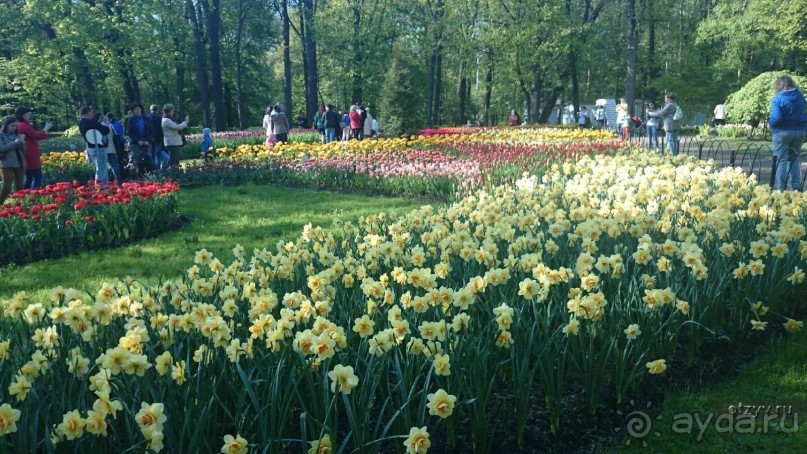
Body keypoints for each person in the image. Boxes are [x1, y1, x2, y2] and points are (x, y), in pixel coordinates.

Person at [769, 75, 807, 191]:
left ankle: (781, 189)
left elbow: (777, 118)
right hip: (800, 131)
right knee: (794, 158)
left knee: (781, 160)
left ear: (779, 85)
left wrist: (770, 123)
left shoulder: (778, 98)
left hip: (782, 132)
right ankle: (796, 187)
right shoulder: (800, 96)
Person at [15, 106, 53, 189]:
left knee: (28, 177)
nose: (30, 116)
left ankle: (24, 195)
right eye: (28, 114)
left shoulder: (19, 125)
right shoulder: (24, 125)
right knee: (37, 176)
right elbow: (37, 135)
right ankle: (33, 195)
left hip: (27, 152)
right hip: (30, 153)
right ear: (23, 115)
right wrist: (45, 129)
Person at [79, 106, 111, 185]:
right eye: (91, 112)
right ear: (88, 112)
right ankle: (102, 186)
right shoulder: (90, 122)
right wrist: (105, 123)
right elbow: (105, 130)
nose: (92, 114)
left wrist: (98, 122)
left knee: (99, 167)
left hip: (90, 147)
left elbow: (95, 128)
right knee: (102, 169)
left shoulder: (81, 123)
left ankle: (100, 185)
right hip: (98, 147)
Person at [0, 116, 27, 205]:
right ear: (6, 125)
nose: (14, 128)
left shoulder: (17, 135)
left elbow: (24, 150)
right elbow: (2, 148)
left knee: (20, 188)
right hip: (7, 164)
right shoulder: (1, 135)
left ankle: (19, 207)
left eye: (16, 126)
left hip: (20, 163)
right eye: (12, 126)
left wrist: (22, 142)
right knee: (6, 188)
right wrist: (14, 143)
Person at [647, 92, 682, 156]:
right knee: (673, 141)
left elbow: (659, 114)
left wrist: (649, 113)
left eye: (665, 98)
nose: (664, 99)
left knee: (670, 141)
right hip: (675, 126)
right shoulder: (675, 104)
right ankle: (673, 155)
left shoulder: (669, 105)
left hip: (670, 126)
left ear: (669, 98)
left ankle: (671, 156)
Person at [126, 102, 152, 174]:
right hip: (136, 143)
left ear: (141, 109)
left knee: (148, 159)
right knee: (139, 161)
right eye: (134, 109)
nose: (136, 111)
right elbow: (129, 132)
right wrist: (137, 141)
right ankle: (140, 176)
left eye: (138, 109)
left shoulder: (146, 118)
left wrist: (148, 140)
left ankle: (150, 176)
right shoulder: (131, 120)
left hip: (146, 141)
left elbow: (150, 130)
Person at [148, 105, 169, 170]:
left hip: (150, 139)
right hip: (159, 139)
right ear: (157, 110)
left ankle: (153, 170)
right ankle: (158, 171)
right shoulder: (160, 118)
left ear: (150, 110)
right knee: (157, 156)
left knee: (152, 156)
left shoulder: (146, 117)